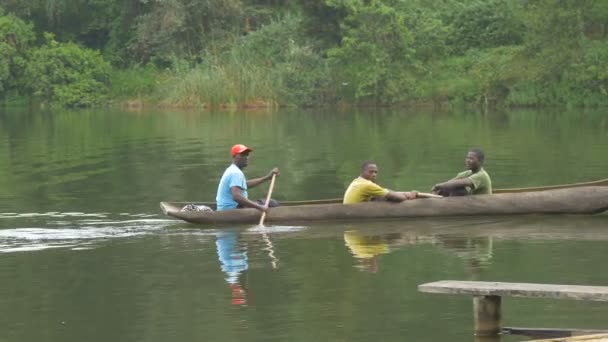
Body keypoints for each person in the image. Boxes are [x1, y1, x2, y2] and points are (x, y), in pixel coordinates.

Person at [216, 144, 280, 212]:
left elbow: (245, 184)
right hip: (232, 210)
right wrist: (260, 207)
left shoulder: (232, 169)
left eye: (247, 154)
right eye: (242, 154)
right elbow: (236, 197)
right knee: (273, 203)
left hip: (226, 208)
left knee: (268, 203)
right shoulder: (236, 173)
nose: (246, 157)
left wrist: (267, 177)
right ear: (234, 156)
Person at [343, 161, 418, 204]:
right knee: (389, 198)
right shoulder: (367, 185)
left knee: (379, 197)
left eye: (376, 172)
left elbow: (385, 191)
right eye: (371, 172)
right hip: (353, 210)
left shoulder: (357, 181)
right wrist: (410, 196)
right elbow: (398, 198)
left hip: (351, 207)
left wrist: (405, 193)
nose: (374, 175)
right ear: (362, 172)